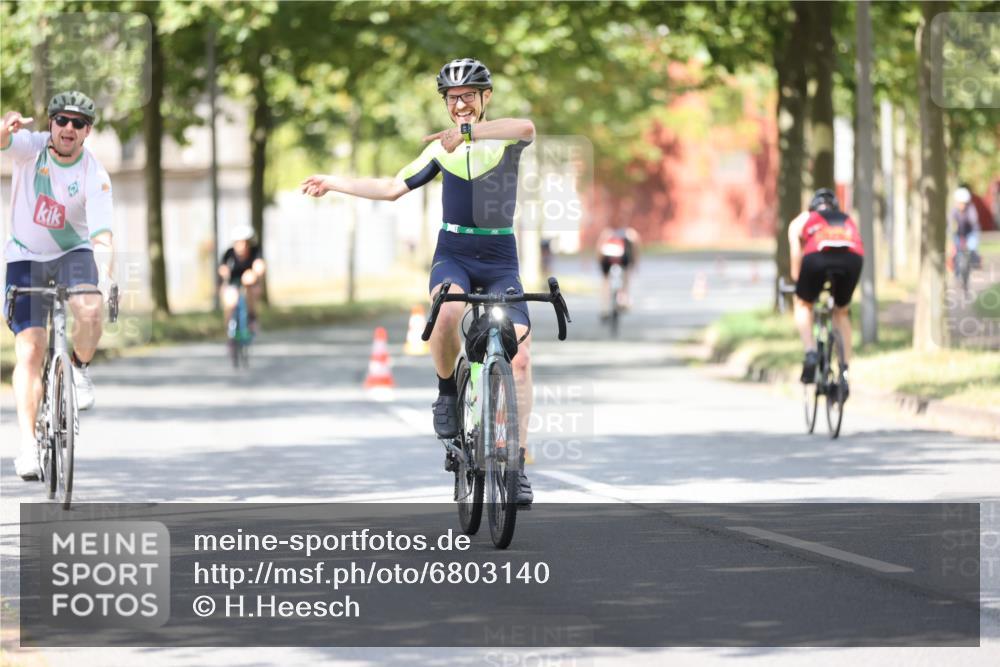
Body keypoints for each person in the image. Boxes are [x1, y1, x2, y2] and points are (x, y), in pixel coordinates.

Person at [301, 58, 536, 505]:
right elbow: (391, 188)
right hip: (455, 253)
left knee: (520, 357)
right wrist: (334, 182)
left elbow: (526, 126)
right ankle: (448, 392)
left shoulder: (500, 136)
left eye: (469, 96)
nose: (461, 105)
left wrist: (467, 134)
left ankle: (517, 464)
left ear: (485, 98)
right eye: (453, 99)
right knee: (448, 310)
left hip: (501, 256)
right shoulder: (438, 151)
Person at [2, 91, 115, 480]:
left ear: (87, 132)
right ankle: (28, 445)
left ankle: (80, 370)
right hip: (25, 255)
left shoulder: (94, 174)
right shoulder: (31, 150)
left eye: (78, 123)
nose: (69, 128)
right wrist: (2, 129)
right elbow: (4, 142)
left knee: (89, 307)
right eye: (62, 120)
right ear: (50, 123)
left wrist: (108, 277)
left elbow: (101, 235)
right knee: (30, 350)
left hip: (73, 253)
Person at [787, 188, 864, 394]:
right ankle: (845, 371)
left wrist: (798, 282)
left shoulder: (803, 219)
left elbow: (796, 256)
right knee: (841, 311)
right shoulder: (846, 218)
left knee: (803, 304)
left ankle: (811, 352)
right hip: (852, 258)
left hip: (817, 257)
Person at [218, 225, 265, 332]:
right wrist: (224, 272)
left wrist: (254, 273)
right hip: (233, 283)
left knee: (250, 289)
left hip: (250, 283)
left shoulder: (255, 252)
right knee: (230, 301)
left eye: (245, 242)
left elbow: (260, 265)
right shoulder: (229, 254)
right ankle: (230, 328)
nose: (242, 246)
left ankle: (252, 317)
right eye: (239, 243)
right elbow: (222, 268)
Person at [596, 223, 640, 315]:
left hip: (606, 258)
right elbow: (635, 250)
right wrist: (635, 265)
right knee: (626, 277)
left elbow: (599, 249)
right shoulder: (630, 233)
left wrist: (600, 264)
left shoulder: (606, 233)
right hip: (623, 258)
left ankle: (604, 308)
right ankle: (624, 299)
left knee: (605, 280)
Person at [950, 186, 981, 274]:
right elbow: (950, 221)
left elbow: (974, 220)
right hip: (959, 233)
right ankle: (956, 270)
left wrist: (971, 220)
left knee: (972, 247)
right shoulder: (954, 210)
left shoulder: (970, 209)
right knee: (955, 250)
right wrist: (950, 229)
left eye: (963, 203)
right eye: (959, 203)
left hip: (971, 232)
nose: (961, 205)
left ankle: (975, 262)